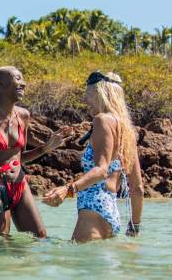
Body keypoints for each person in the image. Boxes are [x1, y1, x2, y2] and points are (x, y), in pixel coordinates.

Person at [0, 66, 71, 237]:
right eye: (18, 79)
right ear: (0, 84)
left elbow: (20, 157)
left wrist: (45, 148)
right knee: (0, 242)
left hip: (20, 185)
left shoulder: (24, 116)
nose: (23, 84)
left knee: (40, 237)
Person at [43, 71, 144, 242]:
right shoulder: (127, 130)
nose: (85, 100)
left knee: (81, 265)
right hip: (111, 214)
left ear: (102, 94)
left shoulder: (102, 120)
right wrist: (135, 226)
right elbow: (138, 188)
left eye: (89, 94)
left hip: (93, 209)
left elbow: (101, 170)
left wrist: (68, 189)